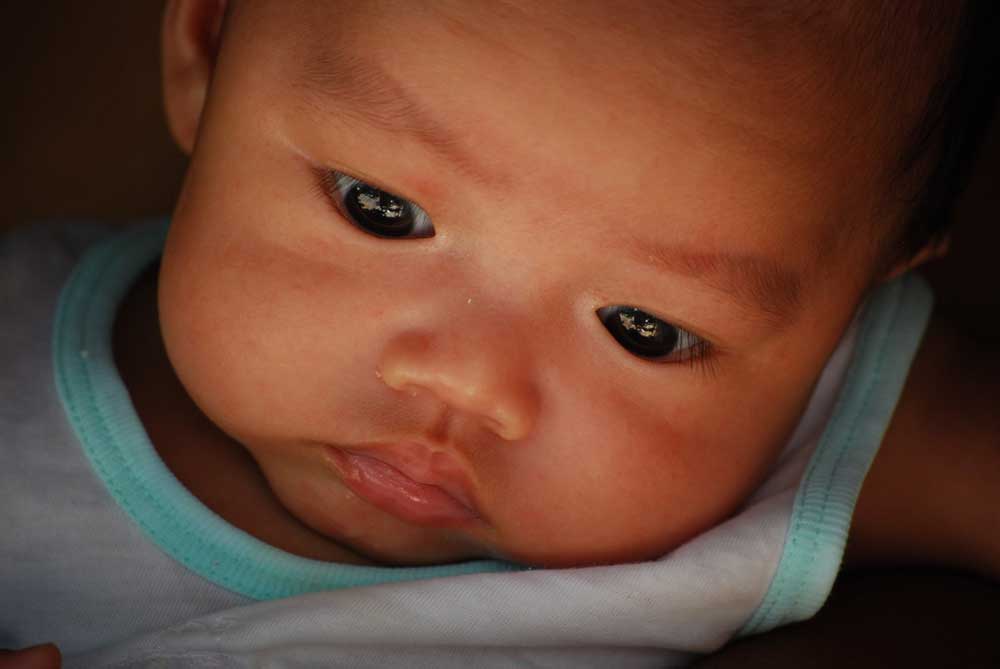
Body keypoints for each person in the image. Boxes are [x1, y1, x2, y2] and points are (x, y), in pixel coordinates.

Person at [2, 1, 998, 667]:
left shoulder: (807, 431)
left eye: (643, 330)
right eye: (380, 210)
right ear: (209, 51)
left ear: (851, 296)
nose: (467, 383)